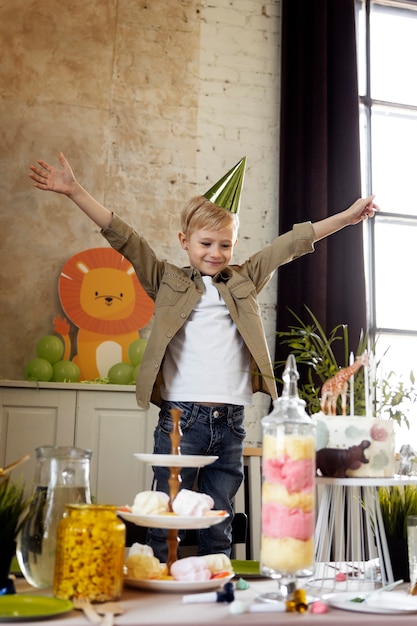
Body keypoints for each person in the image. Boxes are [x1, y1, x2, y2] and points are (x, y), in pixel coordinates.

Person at [29, 152, 379, 561]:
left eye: (225, 244)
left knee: (219, 515)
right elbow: (122, 235)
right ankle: (160, 573)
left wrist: (346, 217)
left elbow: (292, 244)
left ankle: (217, 585)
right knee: (168, 511)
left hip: (230, 420)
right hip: (181, 419)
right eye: (206, 243)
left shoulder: (245, 279)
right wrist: (74, 190)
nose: (216, 253)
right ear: (184, 241)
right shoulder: (167, 280)